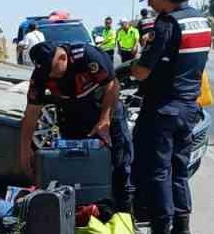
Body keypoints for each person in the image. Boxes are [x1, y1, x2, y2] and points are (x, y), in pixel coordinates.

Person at [129, 0, 212, 234]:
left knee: (158, 171)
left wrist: (131, 69)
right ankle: (183, 233)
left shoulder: (167, 24)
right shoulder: (201, 21)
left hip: (163, 107)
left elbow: (143, 71)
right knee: (179, 169)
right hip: (189, 106)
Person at [18, 38, 133, 212]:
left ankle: (125, 217)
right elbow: (32, 111)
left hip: (105, 110)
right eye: (46, 74)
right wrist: (25, 149)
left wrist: (104, 120)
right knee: (76, 168)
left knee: (120, 167)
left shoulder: (87, 56)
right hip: (73, 117)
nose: (50, 77)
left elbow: (112, 84)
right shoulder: (41, 75)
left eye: (52, 72)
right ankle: (82, 216)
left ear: (62, 58)